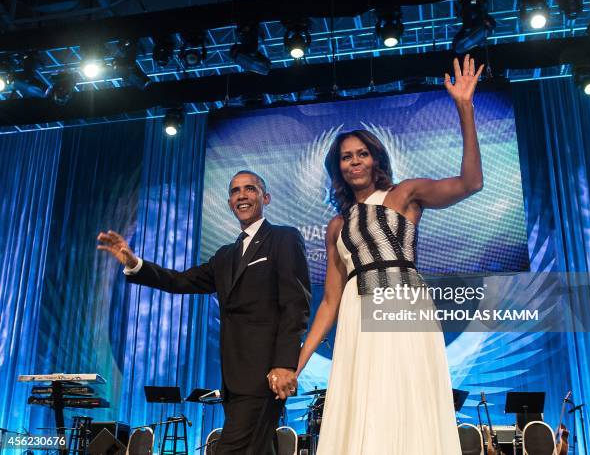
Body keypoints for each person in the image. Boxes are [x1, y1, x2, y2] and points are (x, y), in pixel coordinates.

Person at [296, 55, 484, 454]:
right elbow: (329, 301)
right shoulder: (335, 226)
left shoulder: (405, 194)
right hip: (355, 313)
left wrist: (464, 107)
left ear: (376, 158)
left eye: (361, 153)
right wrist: (299, 359)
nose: (354, 161)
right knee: (365, 405)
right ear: (339, 168)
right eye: (346, 157)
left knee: (404, 398)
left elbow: (471, 183)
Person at [97, 170, 311, 455]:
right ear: (230, 202)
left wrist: (285, 364)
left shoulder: (284, 238)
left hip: (266, 373)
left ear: (265, 197)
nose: (242, 195)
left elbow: (296, 303)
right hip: (233, 377)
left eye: (250, 189)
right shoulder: (224, 255)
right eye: (235, 191)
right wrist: (135, 263)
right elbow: (179, 281)